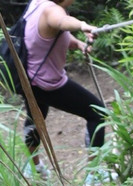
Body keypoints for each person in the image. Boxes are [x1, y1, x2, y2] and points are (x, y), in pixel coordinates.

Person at [19, 0, 103, 175]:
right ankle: (94, 174)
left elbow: (52, 32)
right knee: (97, 113)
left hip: (28, 78)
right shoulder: (52, 11)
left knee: (36, 119)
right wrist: (82, 25)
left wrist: (77, 43)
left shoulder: (38, 3)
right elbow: (61, 21)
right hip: (46, 83)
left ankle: (33, 168)